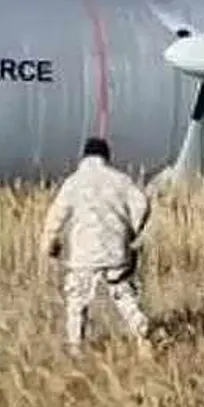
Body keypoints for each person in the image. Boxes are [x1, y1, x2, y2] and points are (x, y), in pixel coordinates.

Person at [41, 136, 154, 354]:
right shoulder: (120, 180)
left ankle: (76, 347)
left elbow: (55, 216)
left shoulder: (74, 182)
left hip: (84, 255)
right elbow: (142, 203)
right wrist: (132, 230)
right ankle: (140, 327)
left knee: (77, 301)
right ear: (106, 156)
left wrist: (49, 244)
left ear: (84, 156)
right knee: (123, 294)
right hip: (116, 251)